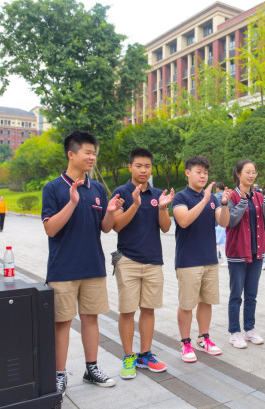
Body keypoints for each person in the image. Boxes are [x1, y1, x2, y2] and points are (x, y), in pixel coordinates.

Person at [41, 131, 124, 395]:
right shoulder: (53, 188)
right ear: (71, 154)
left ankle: (92, 369)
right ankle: (59, 375)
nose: (92, 157)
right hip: (63, 268)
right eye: (88, 152)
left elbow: (106, 229)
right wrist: (72, 203)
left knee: (91, 318)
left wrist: (110, 213)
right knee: (62, 322)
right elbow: (51, 229)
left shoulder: (97, 188)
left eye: (94, 152)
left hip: (93, 266)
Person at [111, 148, 174, 379]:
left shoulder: (158, 193)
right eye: (138, 165)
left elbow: (166, 228)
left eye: (147, 166)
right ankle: (129, 357)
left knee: (148, 309)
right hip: (127, 259)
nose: (143, 170)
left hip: (153, 261)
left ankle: (145, 354)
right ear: (130, 167)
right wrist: (135, 205)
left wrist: (163, 207)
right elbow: (116, 226)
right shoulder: (121, 192)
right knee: (127, 310)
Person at [171, 156, 231, 363]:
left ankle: (203, 338)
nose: (203, 175)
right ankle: (185, 342)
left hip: (209, 258)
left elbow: (223, 222)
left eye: (205, 172)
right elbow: (184, 221)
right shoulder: (181, 197)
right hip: (188, 260)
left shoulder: (213, 199)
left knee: (206, 301)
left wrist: (223, 203)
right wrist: (205, 200)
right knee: (187, 304)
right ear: (188, 173)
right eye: (198, 171)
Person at [226, 159, 265, 348]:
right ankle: (234, 332)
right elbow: (231, 221)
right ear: (238, 174)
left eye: (253, 171)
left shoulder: (258, 196)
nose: (251, 175)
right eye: (247, 171)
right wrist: (242, 202)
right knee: (235, 295)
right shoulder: (231, 196)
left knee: (251, 295)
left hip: (256, 252)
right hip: (237, 251)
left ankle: (249, 329)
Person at [214, 182, 227, 266]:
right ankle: (221, 255)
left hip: (216, 219)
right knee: (223, 238)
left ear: (218, 188)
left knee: (216, 238)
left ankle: (217, 256)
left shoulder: (214, 196)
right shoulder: (226, 195)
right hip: (225, 218)